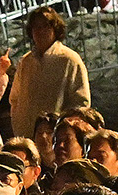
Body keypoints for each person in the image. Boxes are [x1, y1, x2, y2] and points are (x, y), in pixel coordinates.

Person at [8, 8, 92, 141]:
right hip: (27, 138)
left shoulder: (69, 60)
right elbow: (15, 98)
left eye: (45, 26)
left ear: (55, 29)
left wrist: (64, 131)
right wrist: (19, 126)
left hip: (57, 140)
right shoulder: (26, 61)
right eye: (36, 27)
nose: (40, 31)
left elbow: (81, 103)